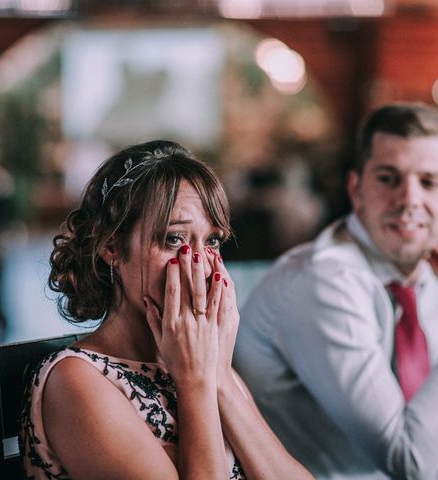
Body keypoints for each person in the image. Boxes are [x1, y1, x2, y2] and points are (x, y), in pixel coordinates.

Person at [233, 103, 438, 479]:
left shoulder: (434, 277)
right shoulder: (325, 281)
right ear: (356, 190)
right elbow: (408, 460)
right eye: (388, 178)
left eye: (429, 182)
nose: (409, 199)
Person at [19, 140, 313, 480]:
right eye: (174, 239)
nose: (200, 265)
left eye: (212, 241)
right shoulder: (77, 382)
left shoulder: (208, 365)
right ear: (111, 246)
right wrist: (196, 382)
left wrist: (219, 380)